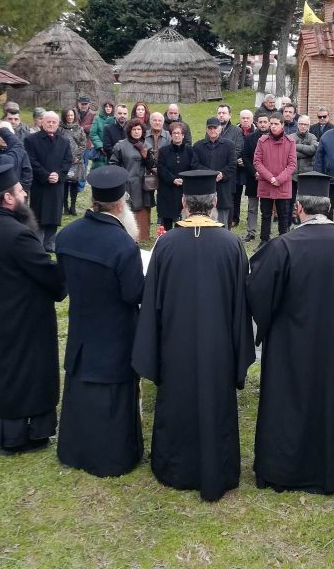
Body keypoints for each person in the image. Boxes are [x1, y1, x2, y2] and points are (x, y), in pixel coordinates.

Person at [131, 170, 255, 501]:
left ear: (184, 202)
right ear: (214, 203)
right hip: (219, 348)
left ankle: (175, 466)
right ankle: (218, 467)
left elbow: (152, 302)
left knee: (178, 401)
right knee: (216, 404)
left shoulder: (166, 244)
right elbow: (241, 307)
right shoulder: (232, 244)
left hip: (176, 345)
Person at [248, 172, 334, 494]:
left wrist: (267, 323)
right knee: (322, 401)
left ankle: (280, 471)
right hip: (328, 341)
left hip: (287, 342)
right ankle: (321, 471)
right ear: (329, 207)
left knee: (283, 403)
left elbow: (257, 291)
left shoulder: (284, 246)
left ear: (298, 208)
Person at [55, 167, 145, 476]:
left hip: (82, 330)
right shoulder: (123, 245)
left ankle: (75, 450)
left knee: (80, 393)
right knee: (112, 400)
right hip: (116, 335)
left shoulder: (66, 235)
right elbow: (133, 293)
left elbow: (63, 280)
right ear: (120, 205)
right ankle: (112, 458)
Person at [0, 162, 66, 454]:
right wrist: (65, 267)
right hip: (24, 318)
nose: (25, 194)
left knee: (2, 373)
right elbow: (48, 275)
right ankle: (26, 435)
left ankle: (4, 429)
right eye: (19, 191)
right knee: (28, 374)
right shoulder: (17, 234)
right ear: (8, 198)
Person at [24, 111, 73, 252]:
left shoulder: (64, 141)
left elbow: (67, 160)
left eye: (54, 122)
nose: (51, 124)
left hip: (57, 185)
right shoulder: (31, 140)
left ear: (58, 124)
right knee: (38, 214)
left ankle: (50, 243)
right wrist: (46, 176)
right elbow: (31, 160)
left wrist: (58, 175)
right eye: (48, 122)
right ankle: (37, 243)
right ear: (42, 122)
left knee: (54, 213)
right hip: (39, 184)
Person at [254, 113, 297, 248]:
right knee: (266, 214)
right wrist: (270, 178)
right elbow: (257, 162)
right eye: (271, 124)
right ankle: (264, 240)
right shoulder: (262, 141)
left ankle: (283, 241)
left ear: (282, 125)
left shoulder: (290, 142)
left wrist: (279, 179)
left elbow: (292, 164)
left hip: (282, 185)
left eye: (276, 124)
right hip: (266, 183)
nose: (273, 126)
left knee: (283, 214)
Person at [110, 118, 156, 242]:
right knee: (126, 209)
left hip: (143, 185)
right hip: (126, 183)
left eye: (139, 129)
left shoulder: (147, 145)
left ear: (142, 131)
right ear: (130, 131)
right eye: (134, 129)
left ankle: (142, 236)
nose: (136, 132)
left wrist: (146, 156)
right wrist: (121, 176)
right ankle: (126, 235)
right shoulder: (121, 145)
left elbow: (152, 165)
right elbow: (113, 163)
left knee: (142, 209)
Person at [191, 117, 237, 227]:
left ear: (220, 129)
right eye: (210, 128)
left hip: (223, 187)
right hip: (204, 188)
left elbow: (232, 164)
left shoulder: (229, 145)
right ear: (206, 129)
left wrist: (222, 174)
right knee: (204, 218)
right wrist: (211, 174)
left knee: (222, 222)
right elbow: (194, 164)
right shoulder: (198, 146)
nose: (212, 130)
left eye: (215, 128)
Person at [155, 122, 192, 231]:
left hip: (184, 189)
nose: (176, 135)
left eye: (179, 133)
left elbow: (193, 166)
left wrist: (184, 179)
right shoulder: (163, 151)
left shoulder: (190, 150)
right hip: (167, 190)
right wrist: (173, 179)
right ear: (171, 135)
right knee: (167, 220)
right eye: (174, 133)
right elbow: (161, 168)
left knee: (183, 220)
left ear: (183, 135)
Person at [59, 107, 88, 216]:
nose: (70, 117)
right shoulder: (60, 129)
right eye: (68, 115)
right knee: (65, 184)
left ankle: (73, 207)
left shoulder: (79, 129)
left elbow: (83, 144)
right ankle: (65, 207)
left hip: (76, 161)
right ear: (64, 116)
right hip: (64, 161)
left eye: (71, 115)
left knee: (75, 183)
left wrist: (78, 156)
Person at [89, 101, 116, 166]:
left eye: (110, 107)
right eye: (106, 106)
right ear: (103, 108)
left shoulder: (116, 120)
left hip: (112, 151)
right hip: (99, 151)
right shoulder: (97, 119)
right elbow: (93, 134)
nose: (108, 108)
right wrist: (101, 146)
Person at [74, 95, 96, 166]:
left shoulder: (93, 114)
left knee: (84, 164)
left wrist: (82, 128)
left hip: (86, 144)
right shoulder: (73, 112)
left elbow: (94, 127)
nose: (84, 106)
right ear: (78, 104)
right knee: (73, 163)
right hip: (74, 143)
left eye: (85, 104)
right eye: (82, 104)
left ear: (89, 104)